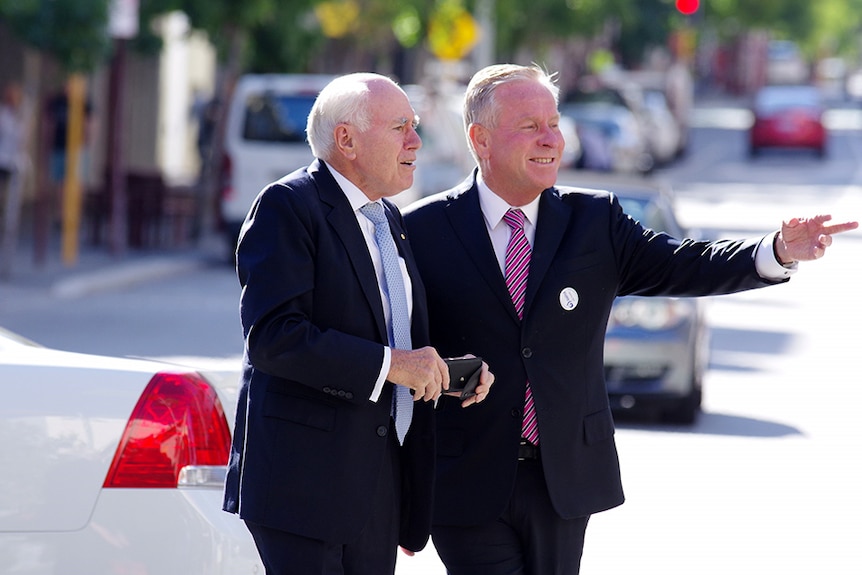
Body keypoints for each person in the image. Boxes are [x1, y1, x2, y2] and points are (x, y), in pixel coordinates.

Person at [402, 63, 857, 575]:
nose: (551, 138)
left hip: (564, 477)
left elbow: (685, 263)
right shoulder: (422, 229)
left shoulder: (595, 221)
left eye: (554, 123)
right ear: (479, 139)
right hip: (464, 478)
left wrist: (774, 251)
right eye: (530, 126)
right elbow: (401, 347)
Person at [221, 72, 493, 575]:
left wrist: (446, 372)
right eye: (400, 128)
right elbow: (275, 339)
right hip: (304, 489)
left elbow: (386, 335)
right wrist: (394, 366)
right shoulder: (288, 206)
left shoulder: (388, 217)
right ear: (346, 139)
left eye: (415, 127)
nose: (416, 141)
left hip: (376, 485)